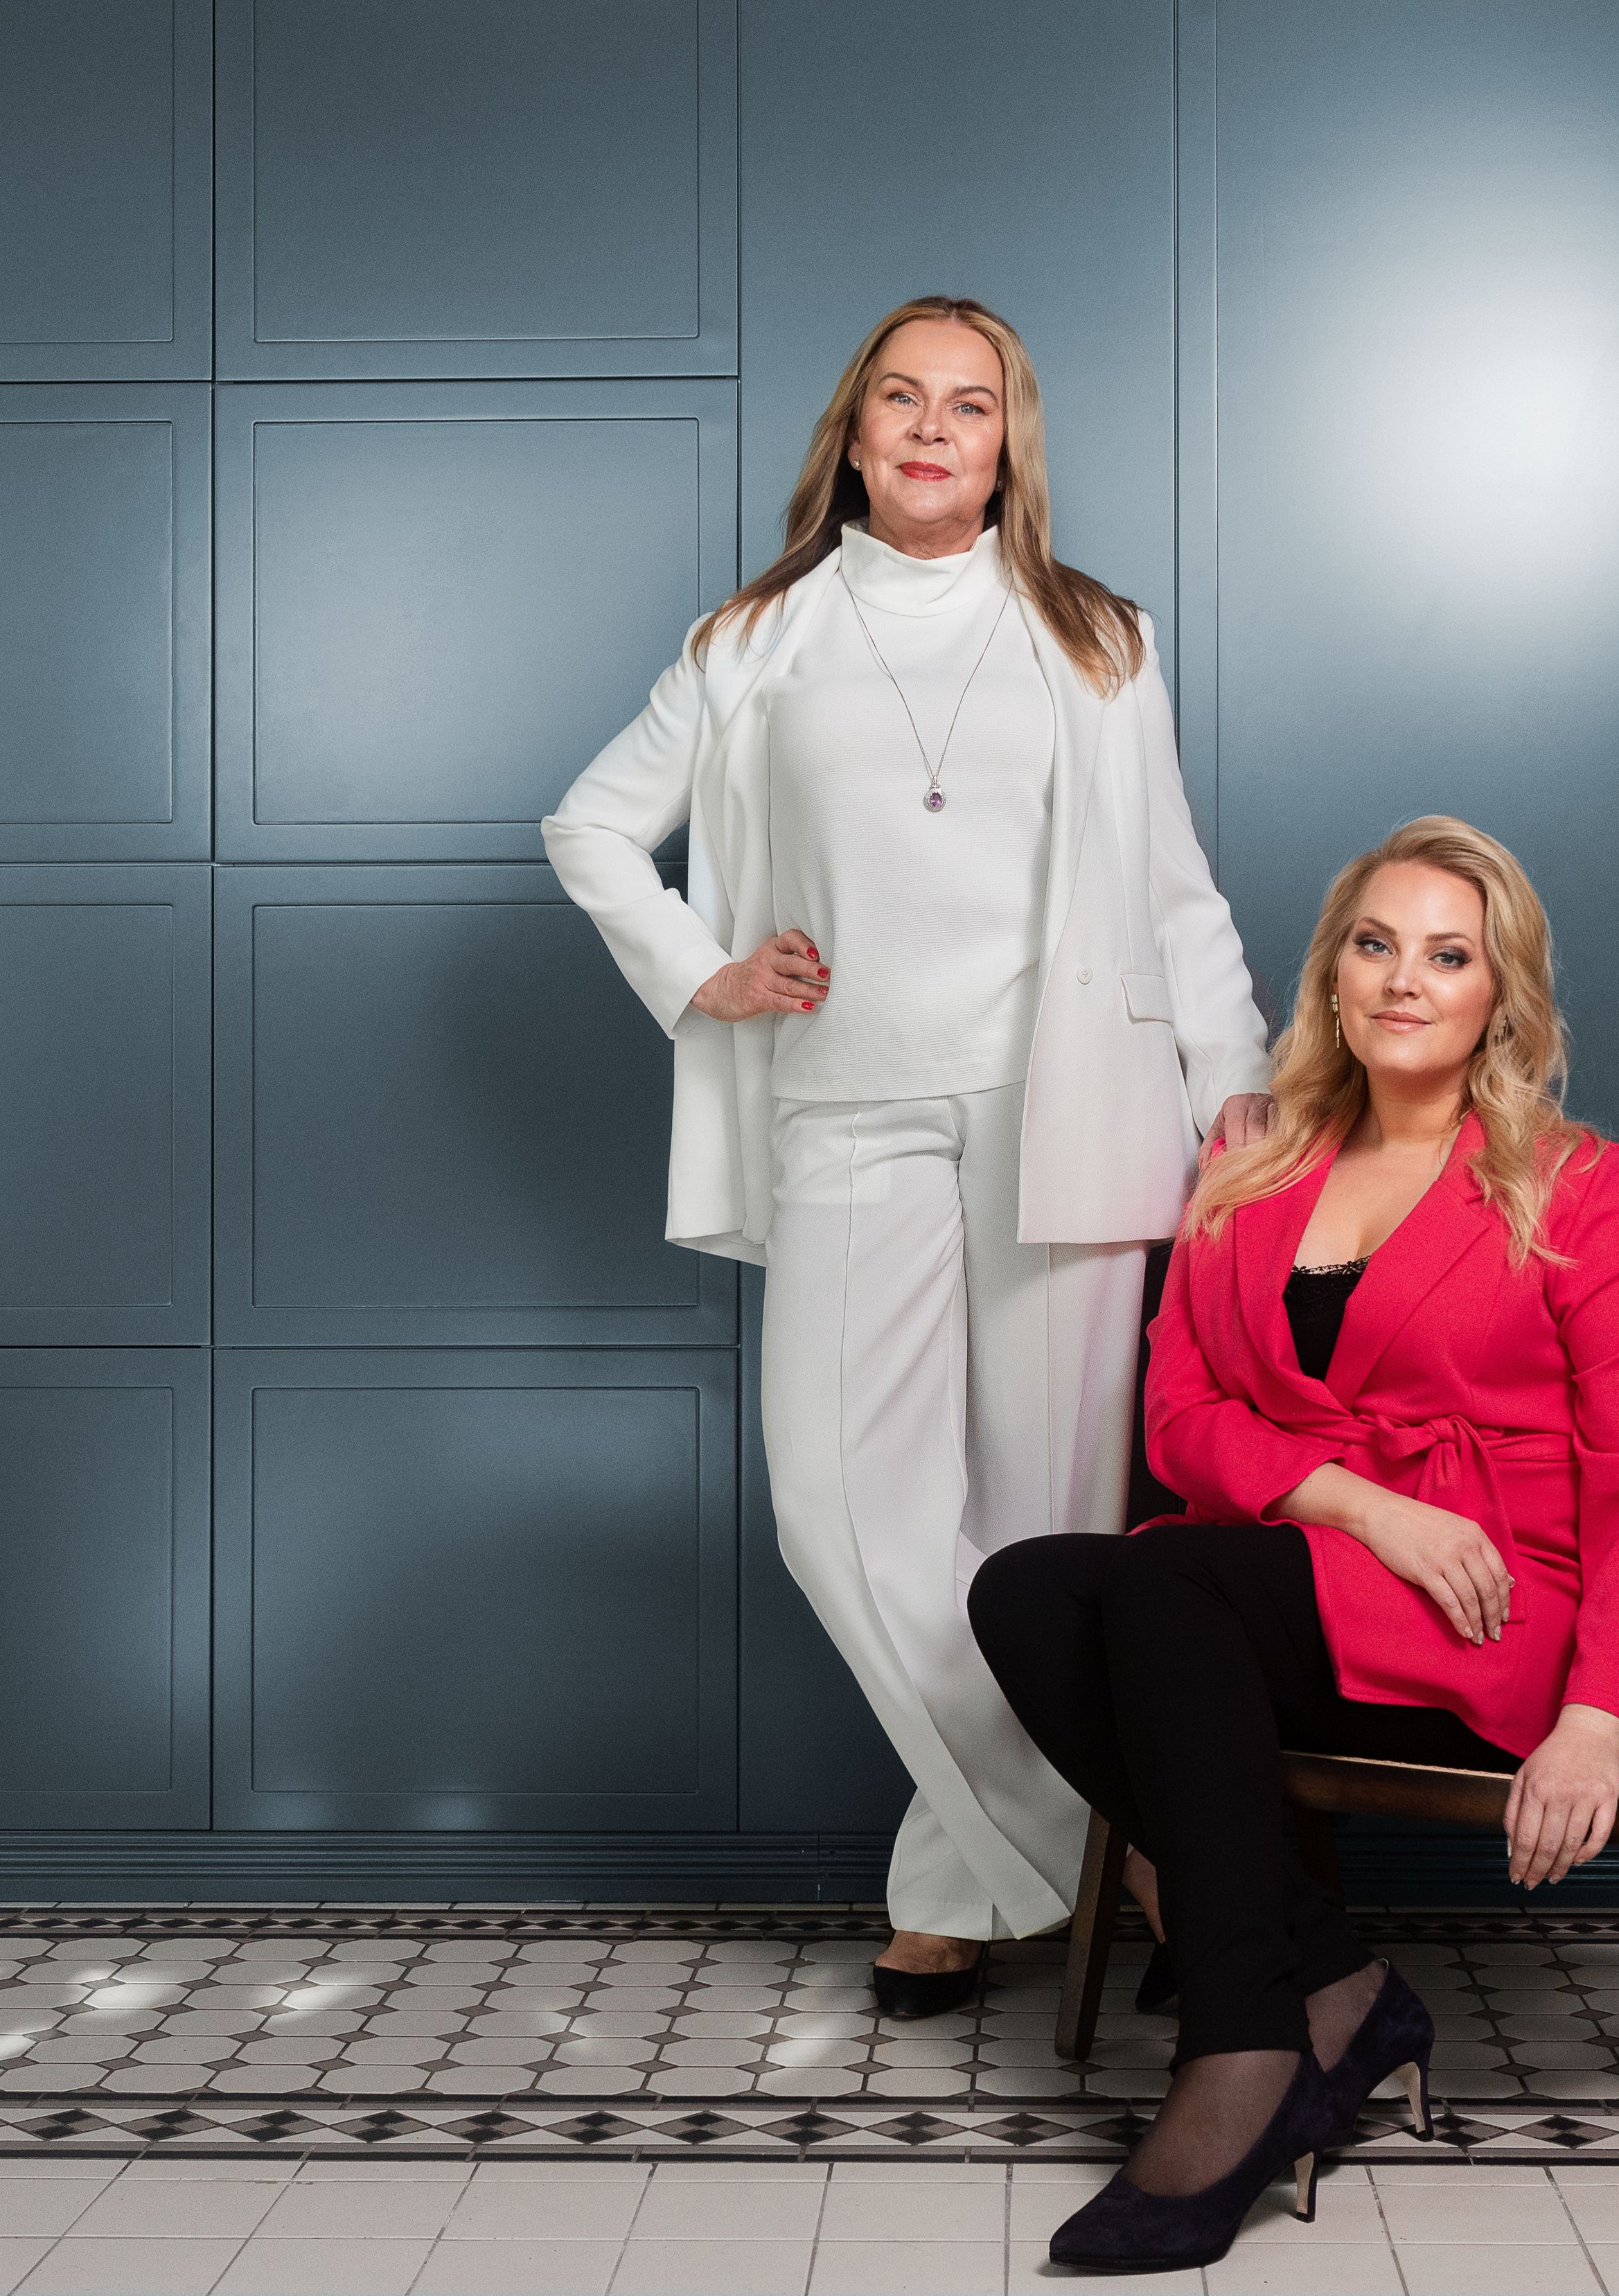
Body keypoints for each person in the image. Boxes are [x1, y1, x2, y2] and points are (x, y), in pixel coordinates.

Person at [542, 297, 1272, 2015]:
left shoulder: (1099, 636)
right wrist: (700, 968)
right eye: (902, 399)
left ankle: (954, 1882)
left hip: (1067, 1112)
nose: (935, 428)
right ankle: (1128, 1842)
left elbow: (1172, 890)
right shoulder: (755, 638)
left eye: (971, 404)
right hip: (847, 1108)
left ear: (1009, 444)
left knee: (1043, 1539)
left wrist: (1236, 1098)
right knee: (844, 1514)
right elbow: (590, 823)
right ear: (855, 435)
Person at [970, 817, 1619, 2272]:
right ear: (1332, 973)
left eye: (1448, 955)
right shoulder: (1251, 1157)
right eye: (1375, 944)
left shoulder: (1582, 1185)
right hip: (1310, 1576)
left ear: (1501, 994)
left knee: (1166, 1576)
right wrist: (1359, 1502)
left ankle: (1240, 2043)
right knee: (1029, 1591)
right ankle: (1328, 1978)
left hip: (1495, 1611)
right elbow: (1181, 1414)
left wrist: (1592, 1721)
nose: (1403, 979)